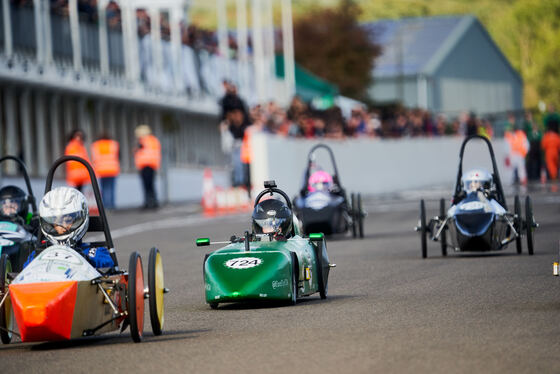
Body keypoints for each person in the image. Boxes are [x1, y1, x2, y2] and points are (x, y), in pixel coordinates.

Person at [36, 186, 114, 269]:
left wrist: (85, 259)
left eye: (68, 220)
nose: (63, 226)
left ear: (77, 220)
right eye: (57, 222)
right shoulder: (40, 254)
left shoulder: (91, 253)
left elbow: (107, 261)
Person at [134, 125, 161, 209]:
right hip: (152, 165)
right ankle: (153, 202)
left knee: (147, 186)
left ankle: (148, 203)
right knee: (151, 185)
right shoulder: (154, 140)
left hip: (146, 166)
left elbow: (141, 152)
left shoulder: (144, 141)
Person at [91, 133, 120, 209]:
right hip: (112, 169)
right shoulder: (114, 144)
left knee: (104, 189)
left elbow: (94, 158)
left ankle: (105, 206)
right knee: (111, 188)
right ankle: (111, 205)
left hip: (101, 170)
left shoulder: (96, 145)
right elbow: (118, 156)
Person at [504, 118, 529, 184]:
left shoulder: (521, 134)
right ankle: (512, 180)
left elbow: (526, 144)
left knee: (521, 168)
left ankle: (522, 180)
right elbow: (507, 145)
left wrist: (524, 153)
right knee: (511, 169)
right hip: (513, 154)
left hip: (520, 154)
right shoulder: (509, 135)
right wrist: (507, 155)